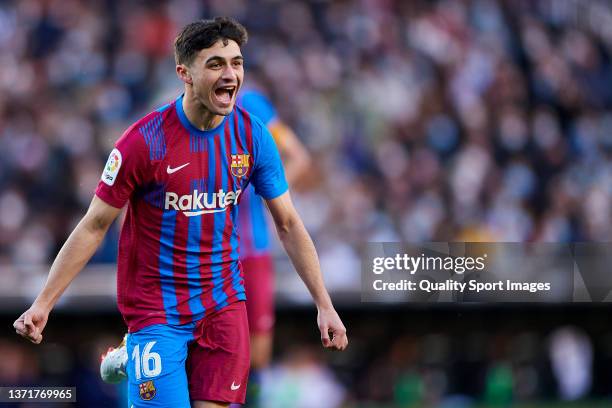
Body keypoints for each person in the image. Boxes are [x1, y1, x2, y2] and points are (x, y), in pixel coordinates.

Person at [13, 17, 347, 408]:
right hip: (157, 310)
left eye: (236, 63)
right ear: (184, 74)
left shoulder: (254, 135)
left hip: (223, 303)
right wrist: (43, 303)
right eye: (216, 64)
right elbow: (94, 225)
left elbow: (288, 223)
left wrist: (325, 305)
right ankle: (133, 350)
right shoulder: (143, 141)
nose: (230, 74)